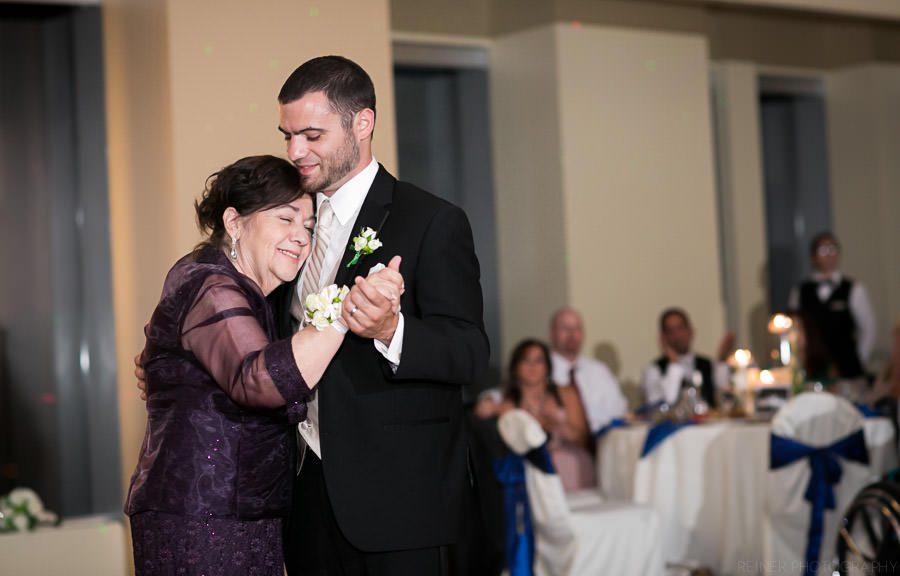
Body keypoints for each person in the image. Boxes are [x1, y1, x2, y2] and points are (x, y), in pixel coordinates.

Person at [126, 155, 402, 575]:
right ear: (234, 223)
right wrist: (347, 312)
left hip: (244, 514)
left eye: (308, 226)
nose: (300, 237)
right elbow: (260, 380)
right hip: (202, 517)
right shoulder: (211, 285)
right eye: (285, 219)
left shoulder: (242, 288)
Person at [266, 56, 489, 576]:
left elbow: (471, 353)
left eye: (312, 135)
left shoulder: (431, 221)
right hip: (304, 493)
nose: (295, 152)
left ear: (361, 124)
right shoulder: (289, 219)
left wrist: (393, 330)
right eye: (288, 135)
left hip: (398, 501)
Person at [477, 339, 596, 492]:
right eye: (526, 360)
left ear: (547, 366)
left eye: (538, 361)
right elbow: (483, 410)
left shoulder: (565, 393)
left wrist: (556, 424)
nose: (532, 367)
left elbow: (582, 437)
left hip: (570, 465)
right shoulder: (506, 398)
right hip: (529, 470)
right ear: (516, 367)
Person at [788, 231, 877, 395]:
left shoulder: (854, 288)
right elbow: (795, 330)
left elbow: (868, 329)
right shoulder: (801, 291)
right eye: (823, 250)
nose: (829, 255)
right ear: (813, 257)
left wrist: (857, 359)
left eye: (832, 249)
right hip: (813, 371)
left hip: (847, 371)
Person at [549, 307, 627, 437]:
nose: (572, 334)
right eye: (565, 328)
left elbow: (618, 411)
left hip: (602, 443)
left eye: (577, 329)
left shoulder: (599, 371)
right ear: (552, 333)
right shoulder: (540, 371)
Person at [641, 307, 733, 409]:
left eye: (680, 328)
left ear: (691, 331)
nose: (677, 336)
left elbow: (725, 396)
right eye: (670, 331)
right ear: (663, 337)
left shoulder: (707, 363)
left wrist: (722, 359)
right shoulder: (654, 370)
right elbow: (663, 402)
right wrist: (673, 362)